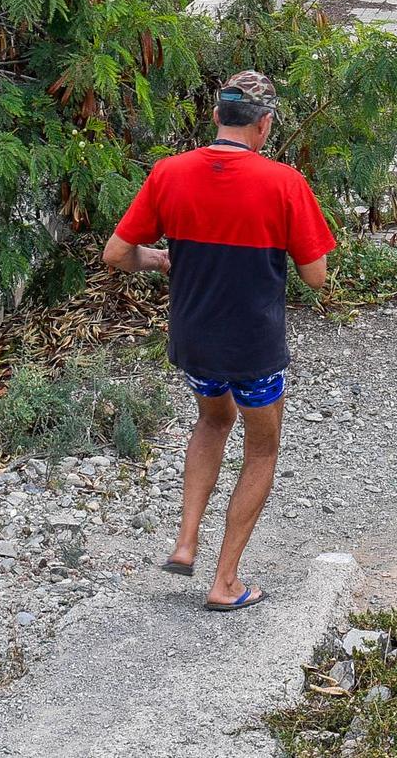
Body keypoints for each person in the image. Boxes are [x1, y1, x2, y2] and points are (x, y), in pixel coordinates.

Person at [102, 70, 334, 612]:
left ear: (215, 117)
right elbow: (316, 277)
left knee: (212, 420)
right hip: (253, 349)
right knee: (262, 448)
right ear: (265, 123)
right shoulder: (284, 183)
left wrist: (157, 257)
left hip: (195, 344)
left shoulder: (169, 173)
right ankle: (225, 581)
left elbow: (115, 253)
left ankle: (186, 542)